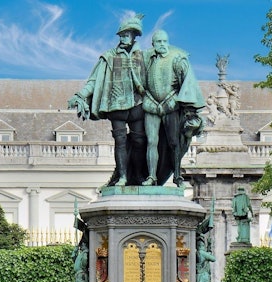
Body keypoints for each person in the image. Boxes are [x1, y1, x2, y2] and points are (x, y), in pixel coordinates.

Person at [67, 13, 148, 186]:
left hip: (137, 104)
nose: (123, 38)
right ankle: (123, 176)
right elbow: (94, 81)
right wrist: (81, 95)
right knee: (120, 141)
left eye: (127, 34)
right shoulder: (109, 56)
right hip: (116, 104)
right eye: (122, 35)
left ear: (134, 36)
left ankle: (139, 175)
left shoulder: (144, 56)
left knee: (140, 141)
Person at [141, 29, 205, 187]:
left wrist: (189, 110)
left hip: (171, 104)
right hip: (150, 104)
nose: (162, 44)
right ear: (153, 44)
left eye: (165, 41)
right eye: (159, 42)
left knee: (174, 142)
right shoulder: (146, 59)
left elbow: (187, 83)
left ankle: (177, 175)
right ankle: (151, 176)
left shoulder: (177, 58)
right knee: (151, 141)